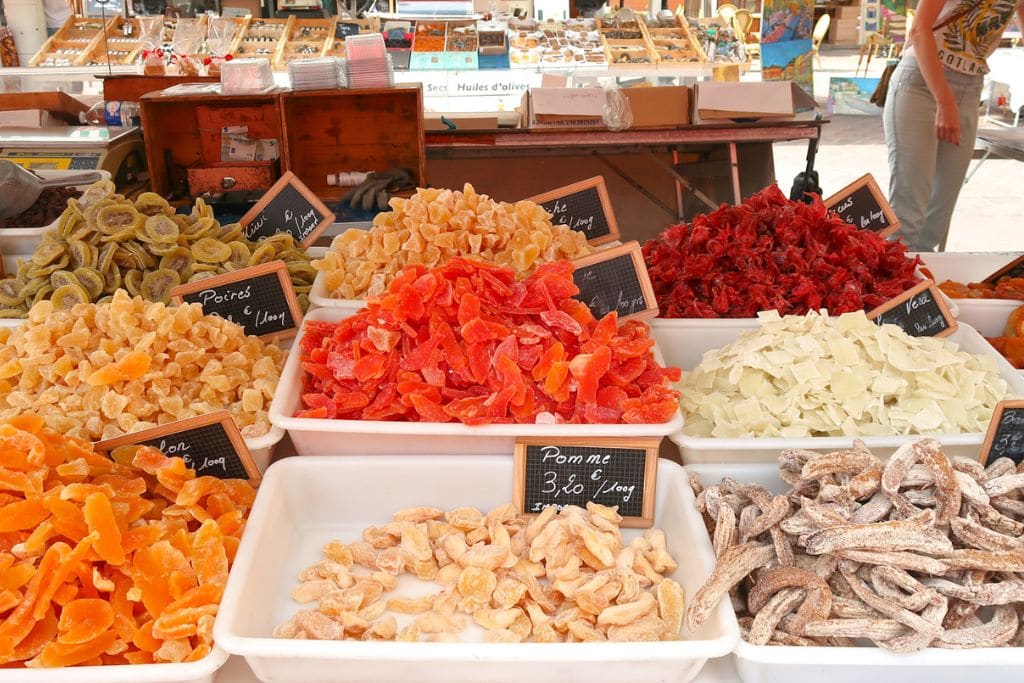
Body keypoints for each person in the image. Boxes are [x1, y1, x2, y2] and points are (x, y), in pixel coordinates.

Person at [883, 0, 1024, 252]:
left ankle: (920, 286)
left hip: (970, 88)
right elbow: (919, 29)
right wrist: (944, 100)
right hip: (921, 83)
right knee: (909, 212)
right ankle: (896, 286)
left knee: (937, 217)